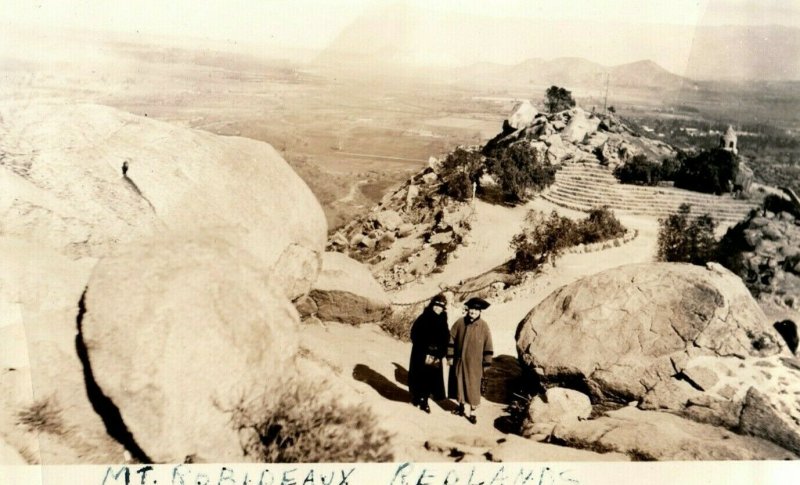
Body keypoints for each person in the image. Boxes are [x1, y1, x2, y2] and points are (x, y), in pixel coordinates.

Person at [447, 297, 493, 424]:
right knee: (459, 383)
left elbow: (488, 345)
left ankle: (472, 413)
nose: (473, 311)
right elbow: (451, 339)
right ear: (467, 310)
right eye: (471, 309)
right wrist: (450, 357)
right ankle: (460, 407)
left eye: (476, 309)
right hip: (459, 361)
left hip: (475, 364)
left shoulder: (483, 326)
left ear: (479, 312)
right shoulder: (460, 323)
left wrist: (486, 362)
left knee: (473, 386)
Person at [408, 293, 450, 413]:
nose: (438, 308)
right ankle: (416, 398)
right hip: (421, 353)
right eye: (436, 305)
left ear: (443, 308)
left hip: (435, 355)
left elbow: (446, 337)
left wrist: (440, 351)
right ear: (432, 305)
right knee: (418, 376)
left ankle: (424, 401)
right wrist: (424, 348)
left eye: (441, 306)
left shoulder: (443, 320)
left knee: (430, 378)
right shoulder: (423, 317)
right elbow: (414, 333)